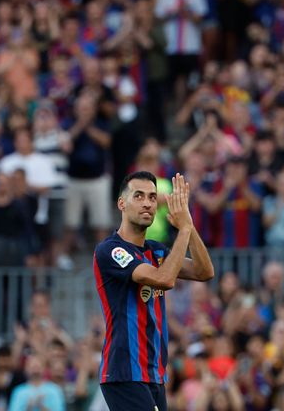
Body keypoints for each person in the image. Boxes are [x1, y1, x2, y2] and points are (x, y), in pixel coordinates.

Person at [94, 171, 214, 411]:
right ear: (121, 203)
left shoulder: (156, 251)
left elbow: (204, 271)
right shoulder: (111, 250)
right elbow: (165, 279)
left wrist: (188, 224)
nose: (147, 202)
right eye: (138, 196)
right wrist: (182, 232)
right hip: (125, 371)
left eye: (151, 196)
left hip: (154, 373)